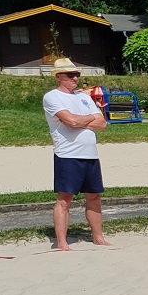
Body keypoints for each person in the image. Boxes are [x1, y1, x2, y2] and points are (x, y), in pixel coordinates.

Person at [43, 61, 110, 250]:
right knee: (64, 199)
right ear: (58, 77)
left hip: (90, 154)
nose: (75, 78)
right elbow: (70, 121)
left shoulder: (84, 98)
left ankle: (98, 237)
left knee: (94, 196)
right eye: (70, 75)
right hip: (67, 154)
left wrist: (81, 121)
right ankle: (62, 243)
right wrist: (89, 119)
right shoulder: (52, 97)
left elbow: (102, 124)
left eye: (76, 74)